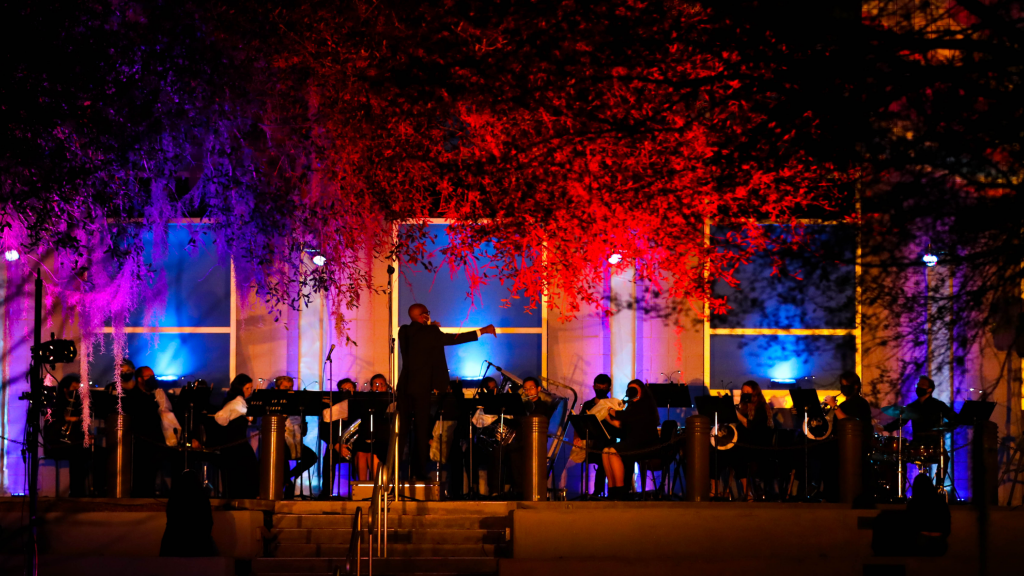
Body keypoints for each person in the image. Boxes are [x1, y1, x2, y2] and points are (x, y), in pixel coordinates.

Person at [397, 303, 495, 480]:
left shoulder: (403, 332)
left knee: (402, 431)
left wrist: (431, 328)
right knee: (421, 430)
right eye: (427, 314)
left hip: (404, 387)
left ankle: (394, 472)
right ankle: (418, 474)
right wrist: (481, 331)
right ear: (423, 316)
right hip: (421, 388)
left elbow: (419, 337)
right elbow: (453, 340)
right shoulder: (431, 332)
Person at [603, 380, 660, 500]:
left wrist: (609, 410)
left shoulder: (645, 406)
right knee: (605, 451)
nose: (632, 392)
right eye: (630, 389)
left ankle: (620, 491)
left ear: (642, 391)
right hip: (633, 442)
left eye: (635, 389)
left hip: (646, 444)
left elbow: (622, 417)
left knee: (612, 451)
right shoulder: (631, 407)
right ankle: (612, 490)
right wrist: (606, 414)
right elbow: (620, 424)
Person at [825, 371, 875, 503]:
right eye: (841, 385)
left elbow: (849, 422)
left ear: (856, 386)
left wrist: (834, 406)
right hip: (841, 448)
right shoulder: (844, 405)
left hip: (855, 449)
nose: (843, 388)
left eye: (846, 385)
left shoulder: (860, 403)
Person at [43, 373, 90, 497]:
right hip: (57, 445)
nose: (76, 392)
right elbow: (51, 428)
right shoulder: (55, 405)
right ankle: (76, 493)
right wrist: (68, 419)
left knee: (90, 453)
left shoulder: (77, 405)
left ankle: (87, 490)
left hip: (72, 443)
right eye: (74, 389)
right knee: (78, 455)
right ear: (65, 389)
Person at [213, 374, 259, 499]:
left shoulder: (239, 401)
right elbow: (220, 418)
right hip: (234, 444)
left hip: (238, 443)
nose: (250, 391)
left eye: (251, 388)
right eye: (248, 388)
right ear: (240, 388)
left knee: (244, 470)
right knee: (246, 469)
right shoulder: (236, 402)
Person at [274, 376, 318, 499]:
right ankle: (286, 484)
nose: (289, 390)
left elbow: (303, 432)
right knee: (281, 456)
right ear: (277, 389)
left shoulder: (297, 404)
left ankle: (287, 479)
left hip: (296, 441)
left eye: (290, 387)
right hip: (279, 442)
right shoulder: (274, 403)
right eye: (285, 387)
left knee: (312, 457)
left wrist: (303, 423)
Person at [159, 469, 217, 557]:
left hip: (173, 543)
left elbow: (171, 519)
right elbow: (208, 521)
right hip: (199, 543)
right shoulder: (202, 498)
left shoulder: (175, 497)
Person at [734, 380, 773, 501]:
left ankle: (749, 492)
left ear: (755, 392)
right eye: (743, 392)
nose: (744, 394)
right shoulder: (743, 407)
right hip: (744, 443)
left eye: (747, 391)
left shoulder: (762, 408)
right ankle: (747, 491)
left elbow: (753, 427)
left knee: (739, 454)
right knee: (733, 452)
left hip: (759, 445)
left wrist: (738, 416)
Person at [579, 374, 614, 496]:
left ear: (609, 389)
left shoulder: (613, 405)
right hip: (590, 445)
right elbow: (580, 425)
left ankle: (600, 491)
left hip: (607, 445)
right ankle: (595, 491)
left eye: (604, 387)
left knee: (605, 454)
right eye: (598, 387)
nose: (601, 390)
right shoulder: (588, 405)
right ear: (593, 387)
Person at [354, 374, 393, 482]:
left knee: (374, 453)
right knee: (361, 453)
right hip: (366, 435)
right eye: (376, 384)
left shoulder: (390, 399)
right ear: (371, 387)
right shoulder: (365, 399)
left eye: (382, 384)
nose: (379, 387)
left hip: (382, 438)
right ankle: (362, 487)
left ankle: (376, 487)